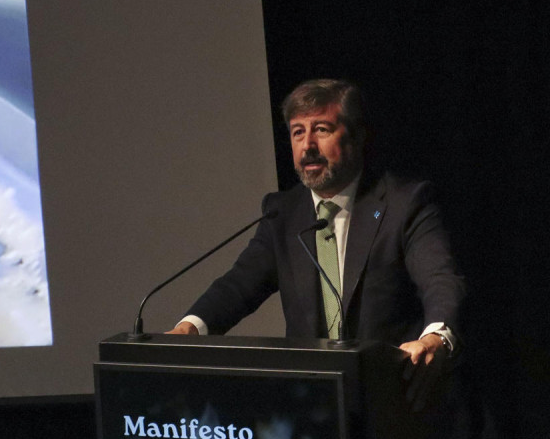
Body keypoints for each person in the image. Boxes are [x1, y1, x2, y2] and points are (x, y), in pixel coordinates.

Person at [167, 79, 465, 372]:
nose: (308, 145)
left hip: (393, 387)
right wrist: (190, 327)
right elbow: (238, 286)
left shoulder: (404, 204)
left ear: (357, 137)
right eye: (298, 133)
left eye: (321, 130)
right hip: (313, 393)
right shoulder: (282, 214)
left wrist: (435, 338)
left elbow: (440, 281)